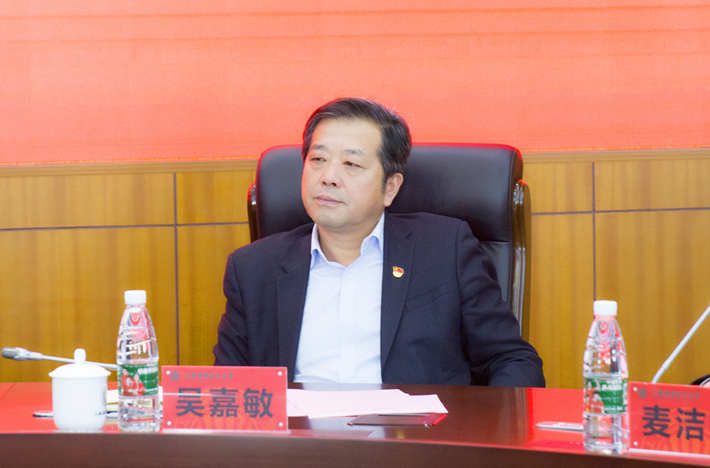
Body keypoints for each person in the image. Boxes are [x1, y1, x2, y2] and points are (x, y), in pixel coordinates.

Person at [213, 97, 545, 387]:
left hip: (417, 438)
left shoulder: (445, 250)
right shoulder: (253, 269)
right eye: (317, 159)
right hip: (299, 439)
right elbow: (229, 387)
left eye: (351, 164)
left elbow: (513, 361)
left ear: (390, 188)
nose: (328, 177)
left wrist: (476, 435)